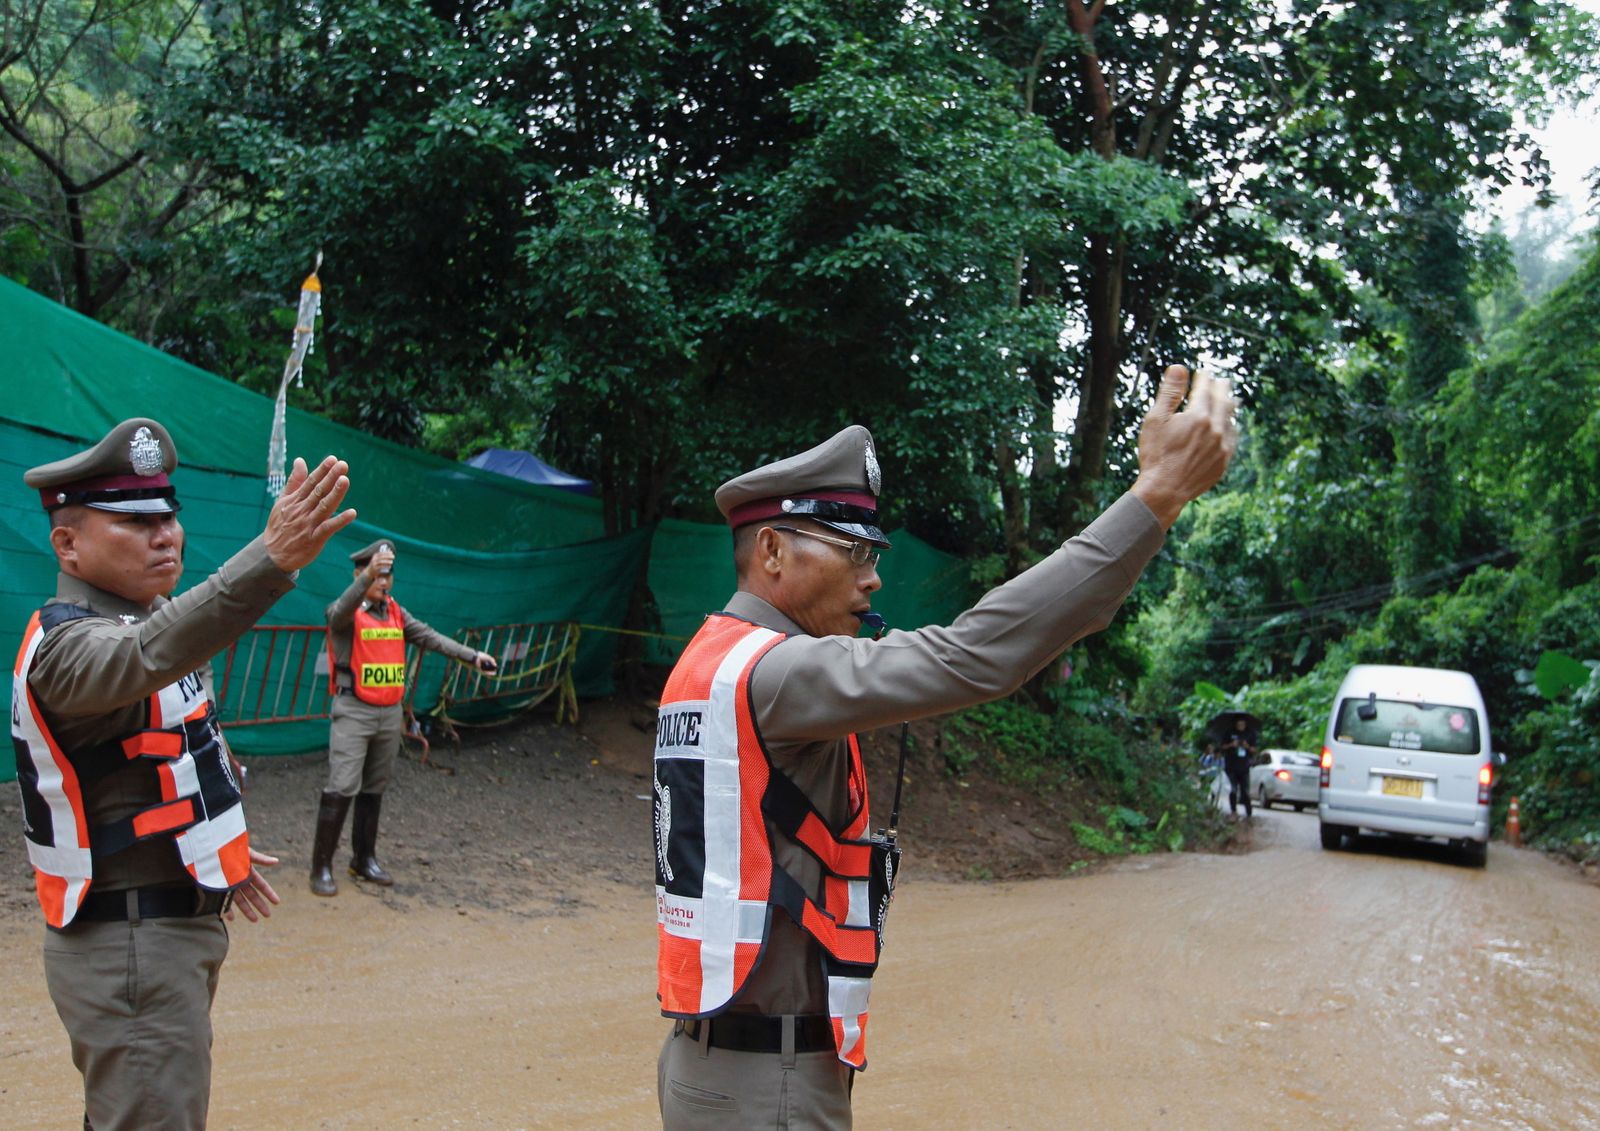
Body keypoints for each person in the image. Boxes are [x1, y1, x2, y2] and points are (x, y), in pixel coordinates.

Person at [652, 364, 1238, 1128]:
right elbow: (978, 655)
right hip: (772, 1083)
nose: (874, 579)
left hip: (707, 1064)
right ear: (771, 551)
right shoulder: (779, 672)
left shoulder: (708, 660)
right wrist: (1154, 498)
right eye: (855, 553)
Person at [11, 417, 356, 1130]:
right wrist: (269, 558)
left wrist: (213, 834)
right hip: (131, 941)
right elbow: (151, 656)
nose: (165, 533)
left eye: (168, 516)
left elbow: (177, 735)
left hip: (160, 926)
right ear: (67, 543)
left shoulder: (145, 615)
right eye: (133, 522)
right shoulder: (68, 651)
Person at [309, 538, 498, 896]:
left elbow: (429, 637)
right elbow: (337, 614)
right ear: (360, 574)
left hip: (388, 713)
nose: (383, 581)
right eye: (377, 574)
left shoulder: (396, 612)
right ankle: (320, 867)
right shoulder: (346, 612)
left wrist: (471, 656)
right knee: (342, 786)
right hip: (354, 711)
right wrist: (366, 577)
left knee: (374, 787)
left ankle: (363, 859)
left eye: (387, 575)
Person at [1221, 714, 1259, 818]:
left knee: (1245, 791)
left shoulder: (1250, 734)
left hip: (1244, 766)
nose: (1240, 726)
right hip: (1231, 766)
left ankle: (1249, 811)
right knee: (1233, 790)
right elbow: (1222, 747)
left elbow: (1254, 749)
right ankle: (1233, 810)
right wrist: (1231, 745)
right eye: (1239, 724)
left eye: (1242, 724)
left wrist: (1247, 747)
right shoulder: (1229, 732)